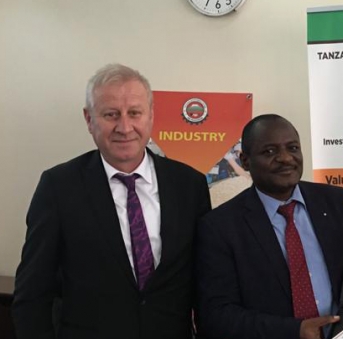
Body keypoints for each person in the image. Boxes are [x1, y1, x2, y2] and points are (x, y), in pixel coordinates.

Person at [13, 64, 211, 339]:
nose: (124, 127)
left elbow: (206, 281)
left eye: (134, 113)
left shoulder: (189, 185)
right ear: (89, 119)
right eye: (111, 114)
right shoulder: (58, 187)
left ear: (151, 116)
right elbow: (32, 292)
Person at [196, 114, 343, 339]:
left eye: (293, 148)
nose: (285, 158)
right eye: (269, 151)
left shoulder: (336, 202)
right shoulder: (220, 227)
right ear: (245, 161)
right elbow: (217, 316)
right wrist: (294, 331)